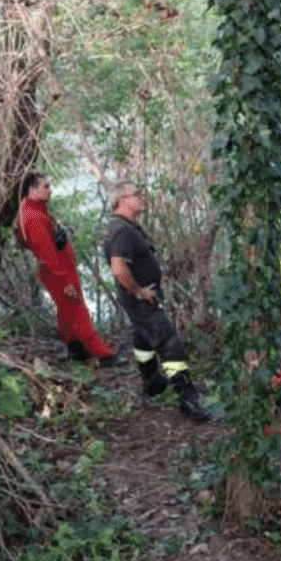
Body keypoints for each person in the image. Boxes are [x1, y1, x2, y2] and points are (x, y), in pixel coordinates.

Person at [103, 180, 209, 421]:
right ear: (121, 200)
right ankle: (188, 399)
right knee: (169, 342)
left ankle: (152, 382)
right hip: (140, 298)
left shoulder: (128, 227)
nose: (141, 197)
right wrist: (139, 291)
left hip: (138, 297)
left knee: (143, 338)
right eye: (135, 194)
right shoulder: (121, 231)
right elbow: (118, 269)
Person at [17, 172, 122, 367]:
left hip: (60, 271)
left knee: (66, 312)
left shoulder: (36, 210)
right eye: (45, 187)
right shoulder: (32, 216)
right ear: (31, 190)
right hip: (58, 274)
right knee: (77, 310)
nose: (50, 190)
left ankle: (75, 348)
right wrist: (64, 282)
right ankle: (104, 355)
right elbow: (46, 254)